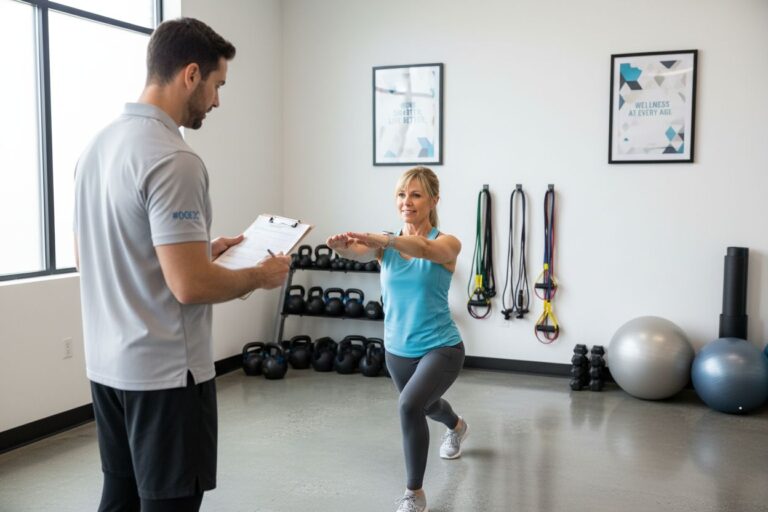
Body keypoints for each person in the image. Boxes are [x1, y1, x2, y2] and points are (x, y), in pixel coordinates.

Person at [73, 18, 290, 512]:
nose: (216, 101)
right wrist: (261, 275)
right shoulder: (175, 158)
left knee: (120, 497)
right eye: (217, 86)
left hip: (108, 369)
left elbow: (93, 255)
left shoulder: (96, 148)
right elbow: (189, 286)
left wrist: (200, 248)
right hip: (167, 378)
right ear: (191, 74)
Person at [327, 166, 469, 512]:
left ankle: (414, 494)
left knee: (409, 406)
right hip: (397, 350)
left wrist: (383, 239)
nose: (407, 202)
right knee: (427, 406)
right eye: (402, 195)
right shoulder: (384, 247)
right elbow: (357, 252)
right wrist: (341, 248)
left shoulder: (447, 243)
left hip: (442, 348)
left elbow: (421, 248)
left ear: (434, 200)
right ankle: (458, 426)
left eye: (416, 194)